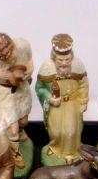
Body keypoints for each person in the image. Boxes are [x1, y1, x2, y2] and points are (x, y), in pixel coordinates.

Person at [35, 33, 89, 164]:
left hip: (72, 103)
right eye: (60, 60)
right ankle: (54, 147)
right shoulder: (47, 67)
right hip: (56, 104)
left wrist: (83, 101)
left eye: (67, 59)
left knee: (70, 131)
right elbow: (39, 87)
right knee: (56, 131)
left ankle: (70, 153)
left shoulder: (78, 66)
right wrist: (49, 98)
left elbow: (83, 84)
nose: (64, 63)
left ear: (71, 57)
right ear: (54, 58)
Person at [0, 33, 33, 169]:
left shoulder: (23, 45)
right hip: (5, 92)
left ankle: (21, 131)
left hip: (21, 88)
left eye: (9, 53)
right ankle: (16, 152)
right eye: (3, 56)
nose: (8, 57)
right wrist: (2, 74)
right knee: (13, 127)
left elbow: (29, 61)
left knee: (23, 119)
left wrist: (28, 72)